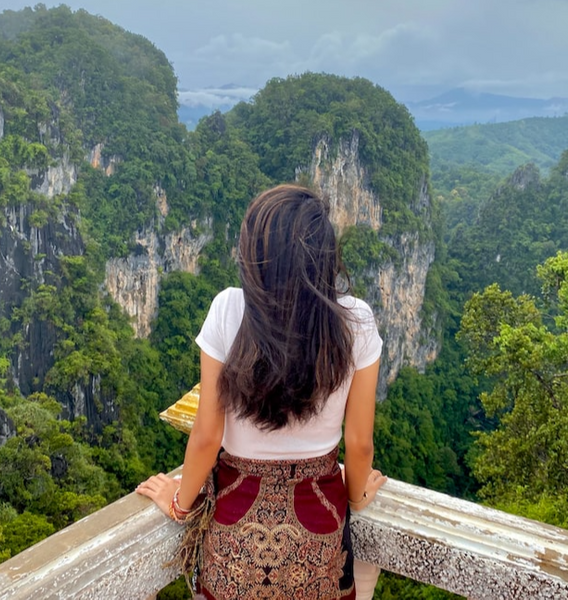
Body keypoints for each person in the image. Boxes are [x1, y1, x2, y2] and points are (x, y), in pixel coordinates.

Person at [137, 184, 386, 599]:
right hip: (318, 534)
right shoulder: (356, 320)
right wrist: (358, 496)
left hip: (235, 538)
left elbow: (206, 437)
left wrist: (179, 502)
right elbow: (360, 445)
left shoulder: (228, 309)